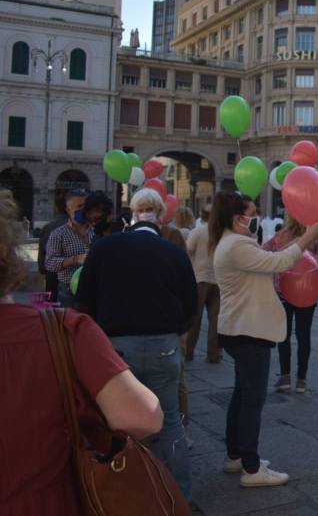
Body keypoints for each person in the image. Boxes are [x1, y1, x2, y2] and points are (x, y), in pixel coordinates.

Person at [0, 189, 164, 515]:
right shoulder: (63, 331)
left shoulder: (94, 235)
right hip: (65, 296)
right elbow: (144, 417)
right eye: (80, 209)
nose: (87, 216)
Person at [76, 186, 197, 500]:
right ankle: (180, 496)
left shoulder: (105, 247)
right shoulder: (174, 254)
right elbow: (190, 307)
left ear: (131, 214)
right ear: (160, 217)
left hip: (116, 349)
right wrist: (172, 332)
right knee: (170, 421)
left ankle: (128, 494)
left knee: (120, 424)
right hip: (164, 346)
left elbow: (83, 300)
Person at [210, 190, 318, 488]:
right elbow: (278, 263)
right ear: (237, 219)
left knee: (241, 396)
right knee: (252, 401)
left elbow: (272, 259)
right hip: (248, 329)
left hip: (241, 328)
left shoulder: (233, 242)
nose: (256, 220)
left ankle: (235, 455)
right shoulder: (236, 244)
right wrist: (307, 237)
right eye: (252, 215)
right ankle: (251, 469)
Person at [263, 215, 318, 394]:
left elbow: (263, 252)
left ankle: (284, 378)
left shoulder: (279, 237)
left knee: (284, 336)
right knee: (303, 336)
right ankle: (301, 380)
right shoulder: (314, 239)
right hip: (308, 293)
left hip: (283, 293)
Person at [44, 189, 93, 307]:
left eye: (86, 206)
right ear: (68, 209)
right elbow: (49, 263)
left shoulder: (96, 230)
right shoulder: (58, 234)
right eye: (79, 206)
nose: (83, 210)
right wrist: (75, 259)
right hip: (68, 292)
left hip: (93, 288)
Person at [185, 205, 221, 363]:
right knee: (216, 321)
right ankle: (213, 354)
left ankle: (188, 353)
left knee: (195, 319)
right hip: (217, 280)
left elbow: (188, 251)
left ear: (203, 216)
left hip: (199, 279)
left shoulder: (197, 231)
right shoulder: (221, 233)